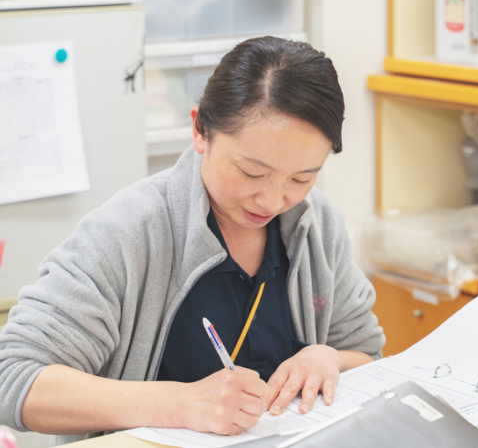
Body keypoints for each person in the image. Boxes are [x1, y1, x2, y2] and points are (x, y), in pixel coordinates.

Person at [0, 36, 385, 445]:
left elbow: (367, 356)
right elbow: (14, 376)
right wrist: (178, 403)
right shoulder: (128, 231)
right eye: (252, 173)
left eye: (302, 178)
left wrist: (328, 358)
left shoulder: (317, 225)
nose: (273, 200)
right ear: (201, 129)